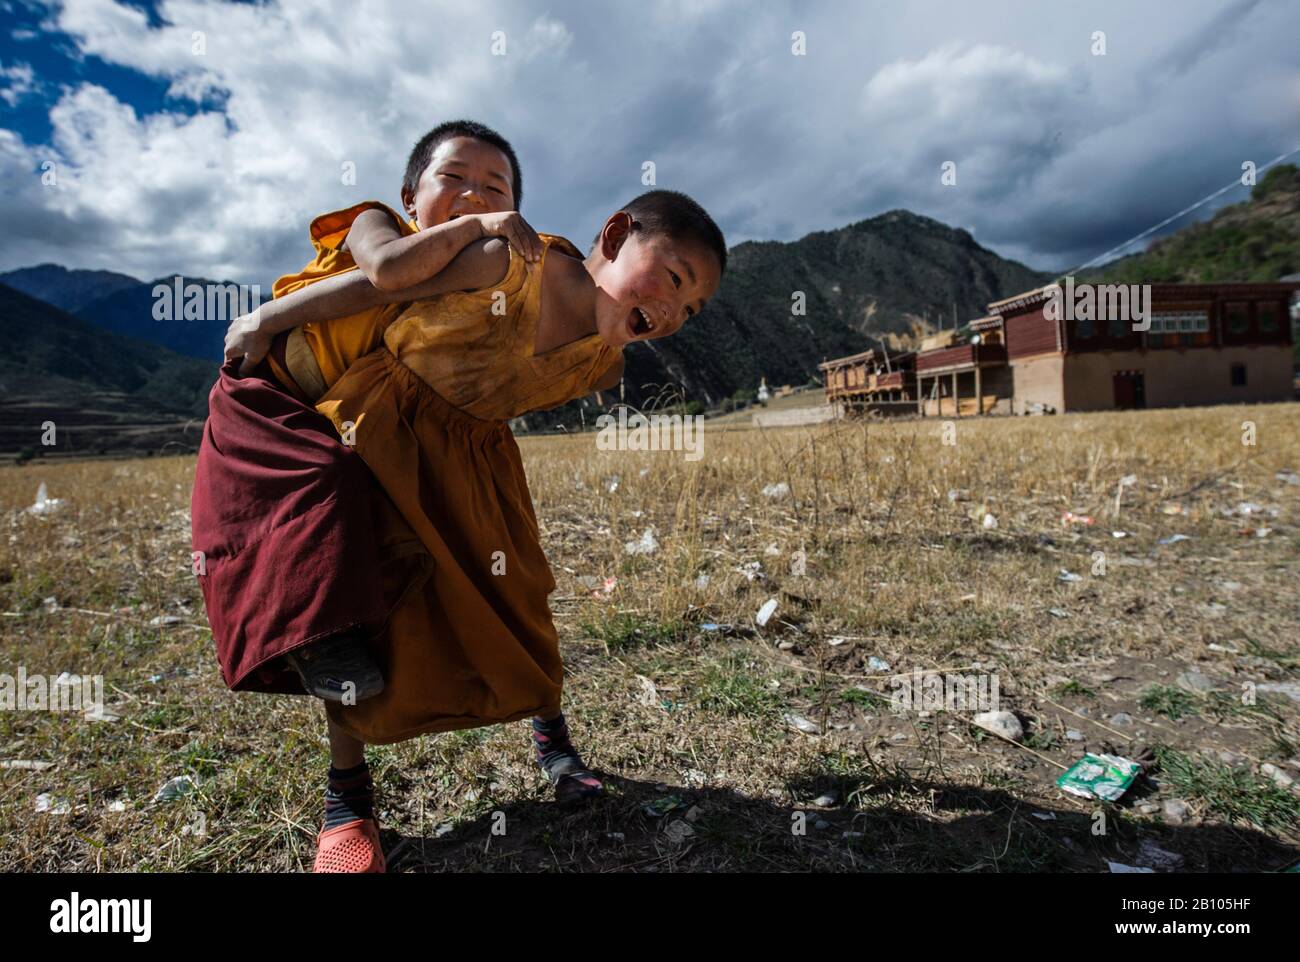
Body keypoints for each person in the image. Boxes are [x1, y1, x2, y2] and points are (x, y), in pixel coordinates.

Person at [235, 189, 725, 871]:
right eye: (674, 279)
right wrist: (269, 318)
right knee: (359, 611)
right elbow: (370, 292)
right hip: (381, 430)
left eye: (692, 309)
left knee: (521, 590)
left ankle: (554, 743)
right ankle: (346, 803)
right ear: (614, 233)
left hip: (475, 457)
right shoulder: (507, 264)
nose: (673, 312)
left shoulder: (604, 365)